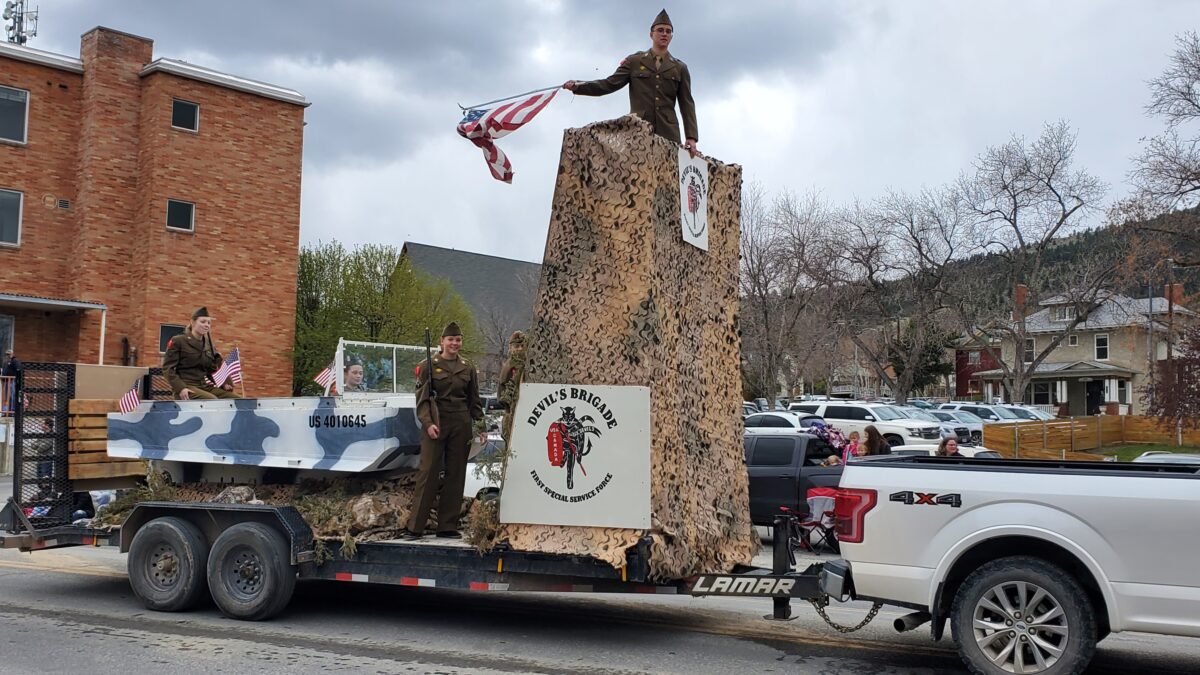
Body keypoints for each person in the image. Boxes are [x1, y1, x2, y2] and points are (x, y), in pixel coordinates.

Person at [563, 9, 699, 156]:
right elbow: (609, 84)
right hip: (638, 131)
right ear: (651, 34)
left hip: (669, 133)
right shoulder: (634, 61)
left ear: (671, 36)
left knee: (669, 177)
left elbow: (687, 104)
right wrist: (579, 86)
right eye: (660, 30)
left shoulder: (680, 68)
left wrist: (691, 137)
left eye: (668, 31)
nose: (664, 34)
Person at [404, 322, 485, 540]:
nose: (454, 343)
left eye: (458, 340)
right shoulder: (428, 366)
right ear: (442, 341)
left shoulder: (467, 367)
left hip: (461, 422)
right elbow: (421, 401)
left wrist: (481, 425)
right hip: (437, 421)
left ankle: (447, 525)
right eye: (450, 340)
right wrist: (428, 423)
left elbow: (473, 400)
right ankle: (415, 526)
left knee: (456, 474)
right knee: (428, 472)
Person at [162, 307, 239, 400]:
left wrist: (223, 384)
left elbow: (211, 371)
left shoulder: (208, 345)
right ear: (192, 322)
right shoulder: (179, 341)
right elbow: (168, 368)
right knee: (212, 400)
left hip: (204, 386)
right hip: (186, 386)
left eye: (209, 323)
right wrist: (180, 388)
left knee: (236, 400)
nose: (206, 325)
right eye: (203, 322)